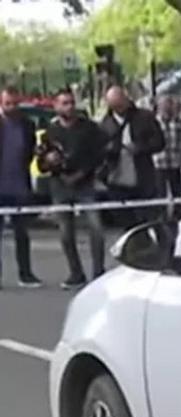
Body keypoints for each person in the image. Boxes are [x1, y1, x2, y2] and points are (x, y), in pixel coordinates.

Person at [37, 88, 107, 289]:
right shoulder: (50, 131)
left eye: (71, 102)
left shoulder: (89, 128)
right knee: (66, 233)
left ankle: (98, 271)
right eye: (64, 103)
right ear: (56, 106)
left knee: (96, 228)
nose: (69, 107)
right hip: (60, 185)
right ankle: (76, 273)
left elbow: (99, 155)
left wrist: (83, 173)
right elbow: (42, 163)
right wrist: (50, 162)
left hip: (85, 183)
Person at [99, 86, 165, 226]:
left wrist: (140, 148)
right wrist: (109, 150)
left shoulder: (144, 117)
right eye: (115, 106)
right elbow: (98, 151)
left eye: (121, 104)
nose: (120, 109)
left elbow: (159, 142)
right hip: (117, 180)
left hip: (143, 177)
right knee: (125, 220)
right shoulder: (105, 124)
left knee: (148, 218)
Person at [0, 86, 42, 288]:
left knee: (22, 234)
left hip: (19, 185)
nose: (11, 107)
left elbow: (29, 152)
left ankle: (26, 274)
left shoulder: (27, 125)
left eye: (15, 103)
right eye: (8, 103)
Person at [153, 95, 181, 218]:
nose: (166, 108)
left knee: (177, 191)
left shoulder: (179, 123)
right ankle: (162, 215)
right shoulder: (154, 123)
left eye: (169, 105)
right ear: (159, 107)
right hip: (159, 162)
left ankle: (177, 212)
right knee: (160, 192)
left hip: (175, 162)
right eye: (163, 105)